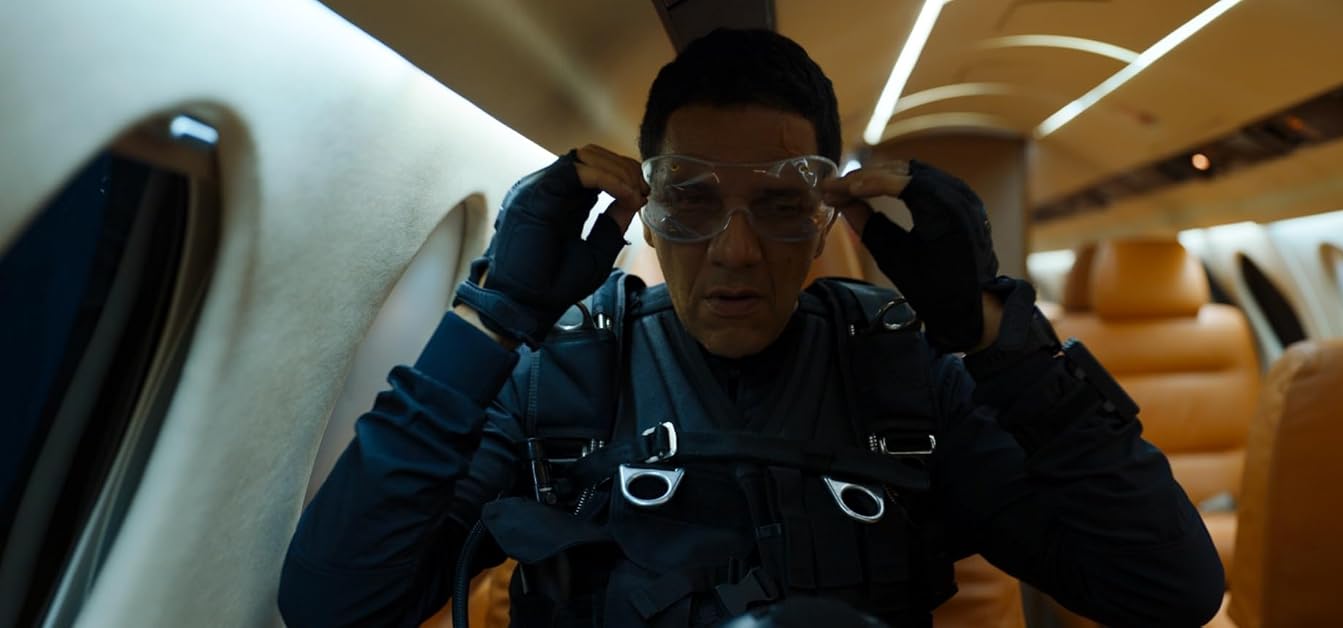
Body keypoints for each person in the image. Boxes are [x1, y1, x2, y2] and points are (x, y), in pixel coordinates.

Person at [279, 29, 1223, 628]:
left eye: (778, 205)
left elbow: (1166, 592)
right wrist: (491, 320)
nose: (735, 251)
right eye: (691, 200)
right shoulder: (560, 381)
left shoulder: (909, 379)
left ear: (825, 220)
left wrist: (995, 336)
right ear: (649, 218)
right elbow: (335, 605)